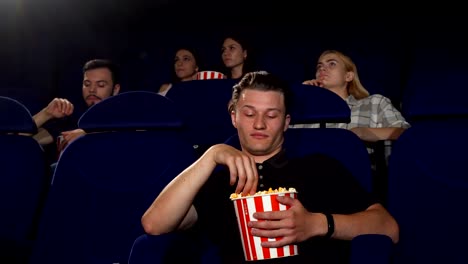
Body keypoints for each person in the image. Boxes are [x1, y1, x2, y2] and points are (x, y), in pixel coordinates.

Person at [141, 71, 399, 263]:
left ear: (286, 122)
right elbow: (154, 224)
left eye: (272, 115)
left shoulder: (320, 168)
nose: (260, 124)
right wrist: (211, 155)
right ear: (234, 117)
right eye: (250, 114)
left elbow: (388, 227)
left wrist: (316, 224)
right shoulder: (217, 181)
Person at [293, 49, 410, 142]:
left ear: (348, 76)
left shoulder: (374, 103)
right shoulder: (306, 112)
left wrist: (364, 132)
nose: (322, 68)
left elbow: (406, 132)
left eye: (332, 64)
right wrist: (302, 96)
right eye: (319, 66)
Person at [33, 58, 121, 161]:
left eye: (100, 85)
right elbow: (19, 137)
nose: (92, 89)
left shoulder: (127, 120)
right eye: (87, 84)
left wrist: (88, 137)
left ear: (115, 89)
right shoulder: (71, 117)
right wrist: (46, 113)